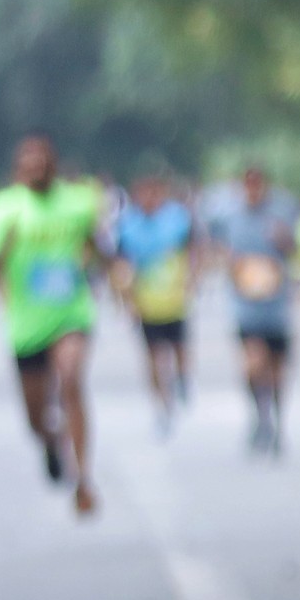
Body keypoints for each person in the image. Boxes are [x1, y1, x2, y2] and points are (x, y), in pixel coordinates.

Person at [0, 134, 108, 518]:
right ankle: (51, 440)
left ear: (54, 166)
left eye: (43, 164)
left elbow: (97, 245)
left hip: (71, 313)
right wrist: (4, 248)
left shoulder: (79, 202)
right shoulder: (2, 210)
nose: (36, 171)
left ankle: (83, 479)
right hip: (26, 325)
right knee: (36, 418)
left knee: (71, 381)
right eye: (28, 166)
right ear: (17, 171)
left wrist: (107, 267)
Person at [204, 163, 300, 457]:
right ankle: (259, 414)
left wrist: (284, 241)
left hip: (276, 306)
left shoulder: (282, 212)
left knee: (277, 371)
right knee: (253, 365)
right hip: (246, 306)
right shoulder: (229, 216)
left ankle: (277, 420)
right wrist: (228, 259)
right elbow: (215, 246)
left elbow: (298, 249)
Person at [111, 169, 197, 438]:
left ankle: (182, 379)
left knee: (179, 349)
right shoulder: (128, 225)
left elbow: (193, 250)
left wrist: (192, 280)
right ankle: (162, 404)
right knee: (153, 357)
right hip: (146, 303)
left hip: (175, 300)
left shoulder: (177, 219)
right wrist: (125, 299)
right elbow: (121, 265)